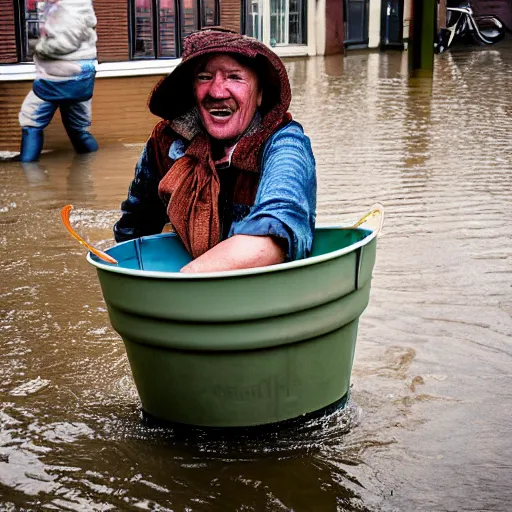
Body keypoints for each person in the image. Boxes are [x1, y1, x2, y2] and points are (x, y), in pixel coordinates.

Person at [114, 28, 316, 273]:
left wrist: (184, 282)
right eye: (204, 76)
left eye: (234, 77)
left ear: (260, 93)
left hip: (259, 289)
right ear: (192, 90)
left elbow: (276, 232)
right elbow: (133, 231)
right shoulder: (167, 143)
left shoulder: (285, 144)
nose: (217, 92)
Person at [18, 0, 99, 162]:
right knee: (78, 128)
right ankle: (90, 166)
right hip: (81, 77)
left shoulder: (68, 6)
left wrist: (38, 47)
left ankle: (28, 173)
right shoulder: (79, 5)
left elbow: (64, 42)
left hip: (59, 76)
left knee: (31, 121)